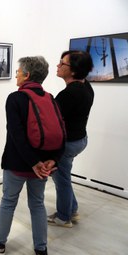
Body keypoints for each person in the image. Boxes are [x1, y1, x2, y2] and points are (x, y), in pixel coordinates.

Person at [0, 56, 63, 255]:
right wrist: (52, 161)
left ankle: (0, 244)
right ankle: (41, 250)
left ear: (27, 75)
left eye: (18, 71)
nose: (16, 74)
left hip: (17, 163)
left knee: (8, 202)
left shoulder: (15, 98)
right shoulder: (51, 98)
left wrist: (32, 162)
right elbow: (61, 134)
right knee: (38, 204)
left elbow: (16, 135)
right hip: (42, 165)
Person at [47, 50, 94, 227]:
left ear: (73, 71)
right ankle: (72, 210)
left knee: (62, 181)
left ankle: (63, 217)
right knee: (64, 178)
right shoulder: (86, 86)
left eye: (62, 64)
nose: (58, 66)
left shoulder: (69, 94)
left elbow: (53, 123)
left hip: (68, 144)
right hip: (80, 140)